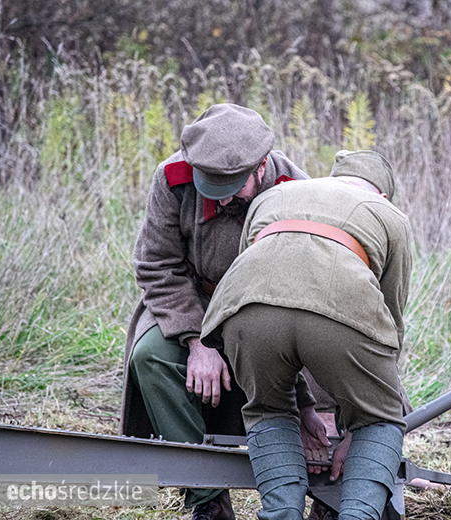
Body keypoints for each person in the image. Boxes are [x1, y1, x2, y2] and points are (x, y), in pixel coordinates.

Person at [120, 103, 310, 520]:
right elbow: (157, 265)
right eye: (211, 185)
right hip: (193, 303)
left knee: (318, 366)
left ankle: (323, 487)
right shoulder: (172, 179)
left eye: (233, 185)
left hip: (269, 304)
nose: (221, 197)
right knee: (150, 355)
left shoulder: (293, 186)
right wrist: (196, 342)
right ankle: (207, 498)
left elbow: (308, 278)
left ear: (261, 167)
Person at [199, 150, 412, 520]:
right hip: (342, 310)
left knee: (267, 410)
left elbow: (257, 281)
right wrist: (360, 427)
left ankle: (280, 515)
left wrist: (300, 403)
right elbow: (388, 323)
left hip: (245, 308)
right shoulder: (387, 215)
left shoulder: (274, 196)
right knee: (382, 420)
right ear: (382, 193)